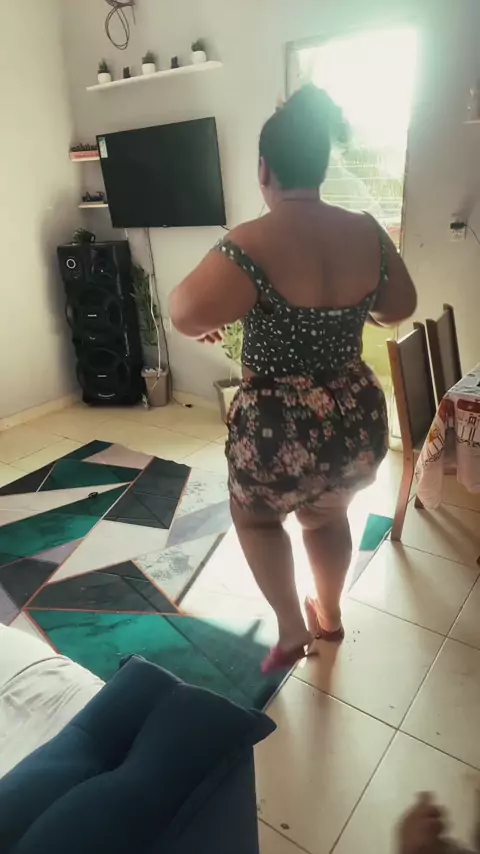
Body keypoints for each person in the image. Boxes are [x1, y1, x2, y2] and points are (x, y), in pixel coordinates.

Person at [170, 85, 417, 673]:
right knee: (327, 516)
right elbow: (400, 306)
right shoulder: (367, 229)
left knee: (256, 518)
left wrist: (212, 320)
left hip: (277, 426)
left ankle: (290, 628)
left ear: (265, 169)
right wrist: (358, 308)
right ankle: (329, 616)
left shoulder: (252, 239)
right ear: (322, 165)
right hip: (354, 418)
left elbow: (183, 312)